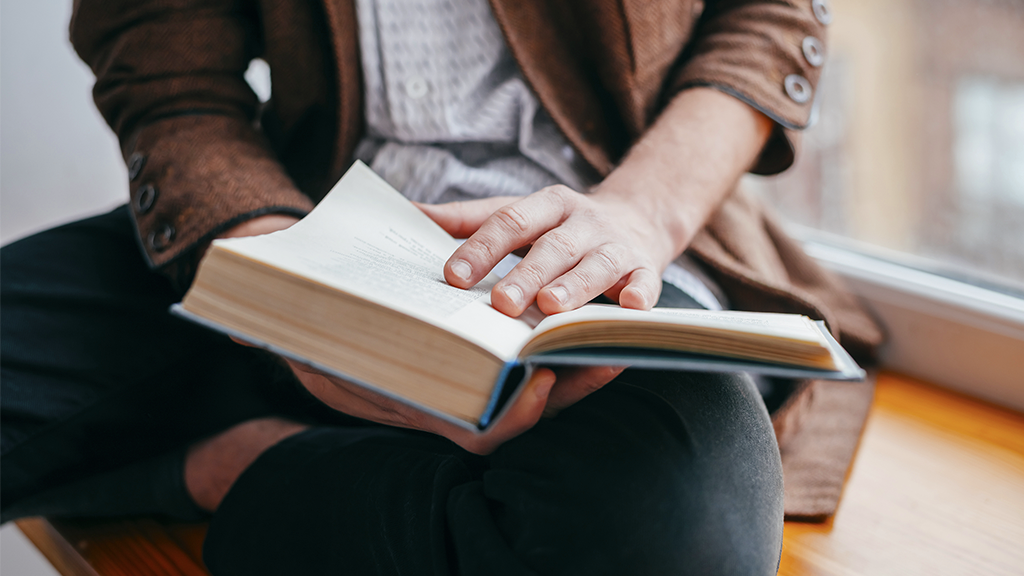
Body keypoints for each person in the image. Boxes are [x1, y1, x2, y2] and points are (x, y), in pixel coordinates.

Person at [1, 0, 882, 574]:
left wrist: (640, 213)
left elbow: (764, 14)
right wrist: (286, 284)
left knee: (675, 542)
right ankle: (226, 459)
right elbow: (167, 77)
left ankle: (245, 470)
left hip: (609, 243)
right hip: (298, 217)